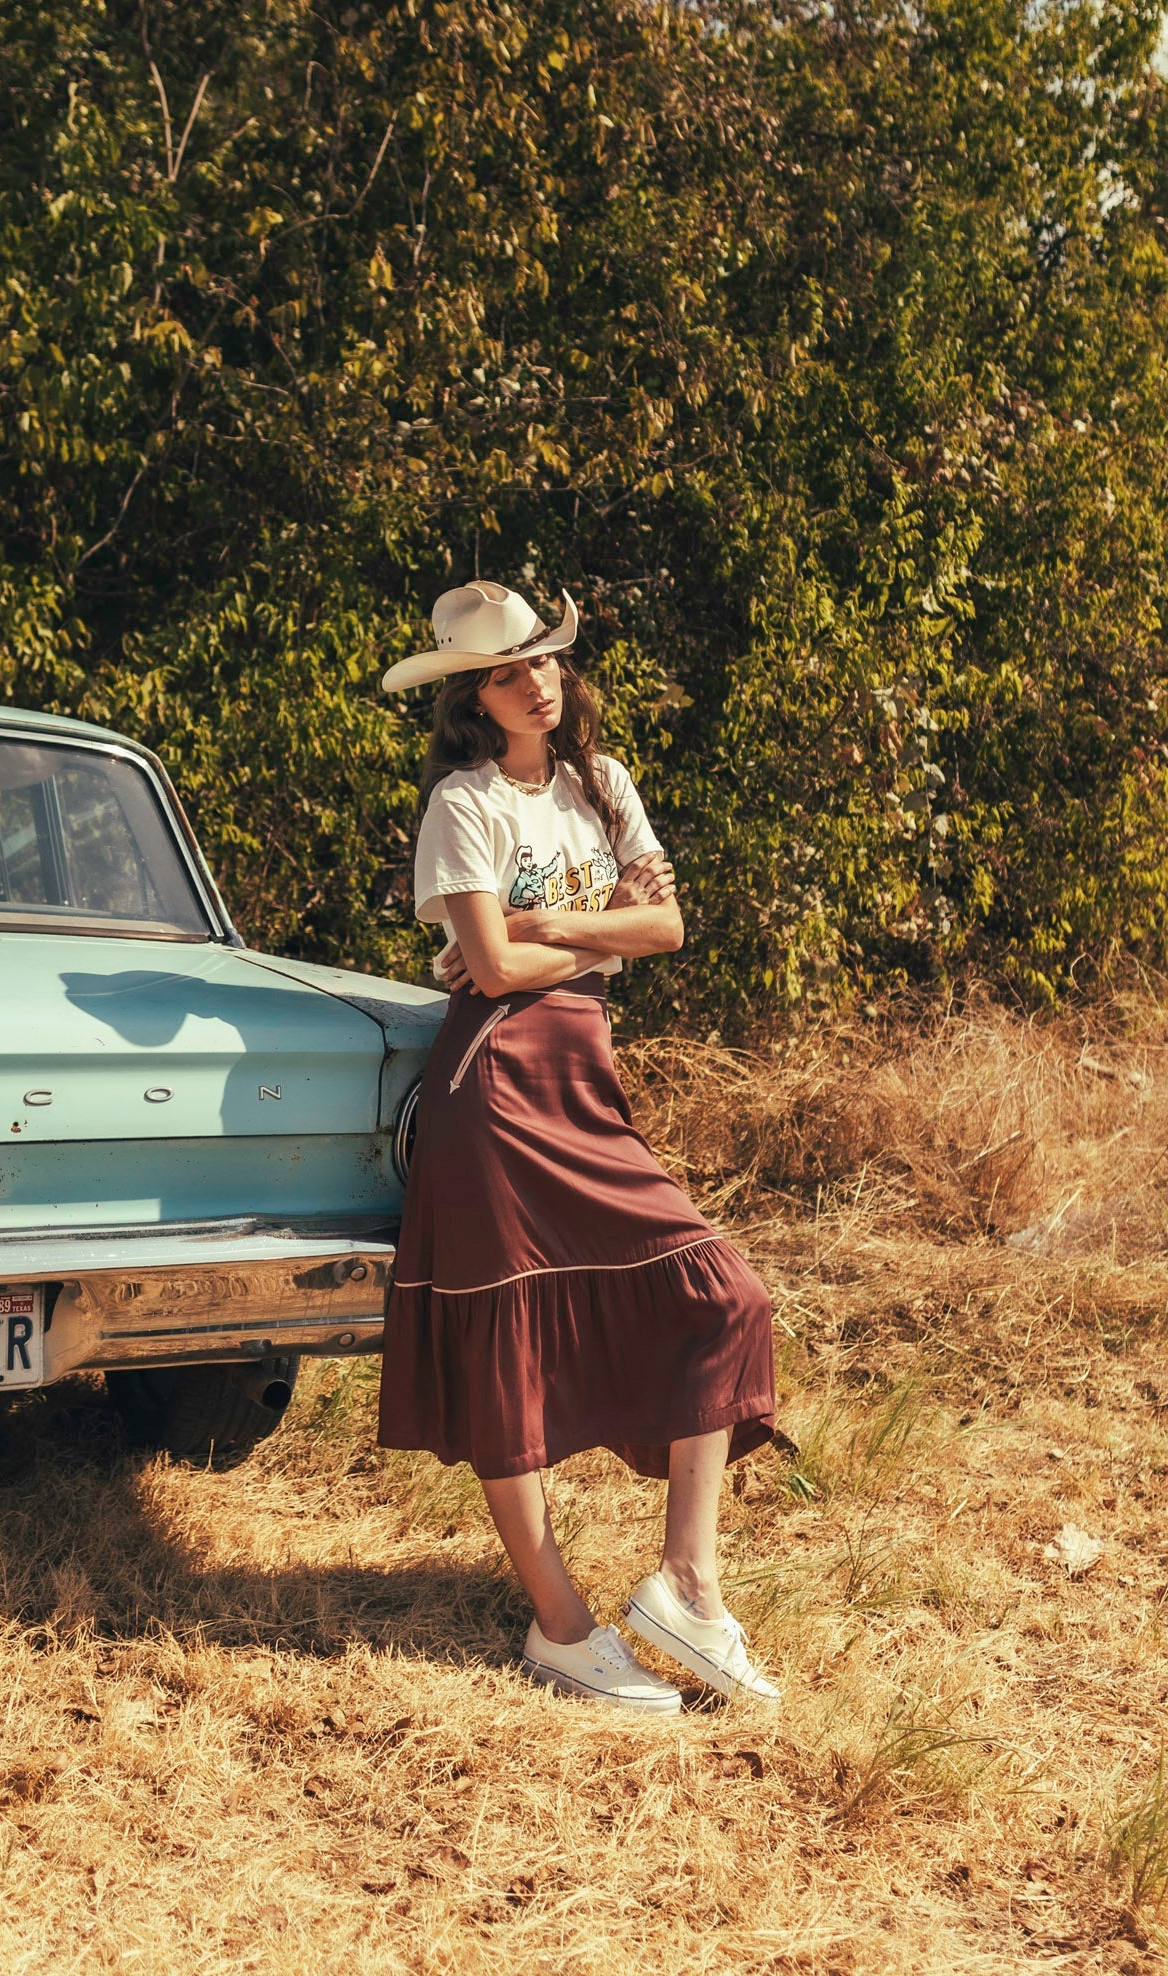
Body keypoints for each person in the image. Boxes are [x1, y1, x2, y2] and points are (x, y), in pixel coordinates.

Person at [377, 579, 780, 1715]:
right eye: (510, 671)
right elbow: (492, 973)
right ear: (472, 696)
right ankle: (559, 1623)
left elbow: (669, 927)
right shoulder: (461, 805)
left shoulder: (601, 786)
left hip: (581, 1075)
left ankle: (686, 1583)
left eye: (546, 661)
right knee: (506, 1337)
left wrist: (551, 924)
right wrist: (588, 932)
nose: (538, 682)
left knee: (723, 1292)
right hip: (491, 1081)